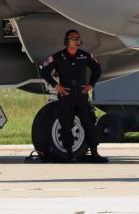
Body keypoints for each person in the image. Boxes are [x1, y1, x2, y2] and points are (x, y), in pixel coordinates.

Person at [40, 29, 108, 163]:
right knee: (66, 125)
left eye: (78, 38)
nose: (77, 41)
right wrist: (56, 85)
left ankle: (94, 153)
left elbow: (97, 69)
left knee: (89, 124)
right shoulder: (58, 57)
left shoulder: (84, 56)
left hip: (81, 97)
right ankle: (70, 154)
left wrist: (91, 85)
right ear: (67, 41)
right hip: (66, 97)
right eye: (74, 39)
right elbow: (45, 71)